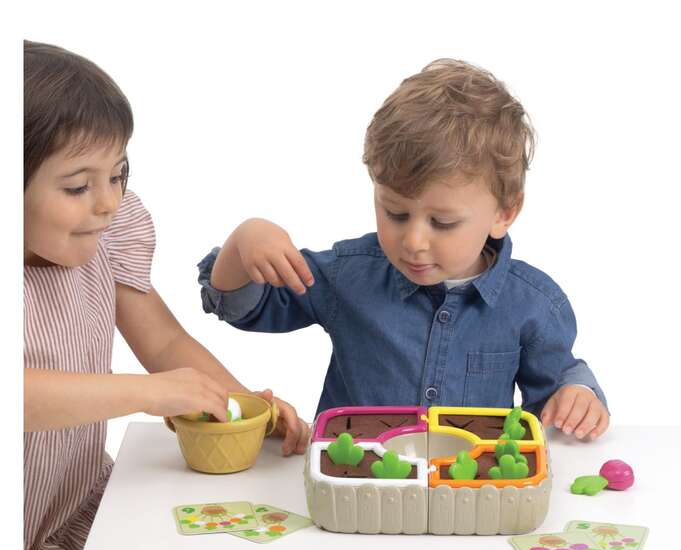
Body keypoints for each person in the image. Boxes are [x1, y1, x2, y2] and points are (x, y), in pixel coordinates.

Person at [23, 40, 308, 550]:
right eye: (78, 185)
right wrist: (147, 394)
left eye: (118, 174)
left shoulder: (103, 238)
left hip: (76, 506)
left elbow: (164, 341)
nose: (107, 201)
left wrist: (242, 404)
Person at [198, 58, 609, 442]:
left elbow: (556, 389)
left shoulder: (534, 303)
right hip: (352, 482)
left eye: (442, 222)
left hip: (470, 487)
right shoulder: (349, 274)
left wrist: (576, 395)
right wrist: (243, 243)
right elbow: (242, 308)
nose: (413, 241)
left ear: (504, 212)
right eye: (395, 213)